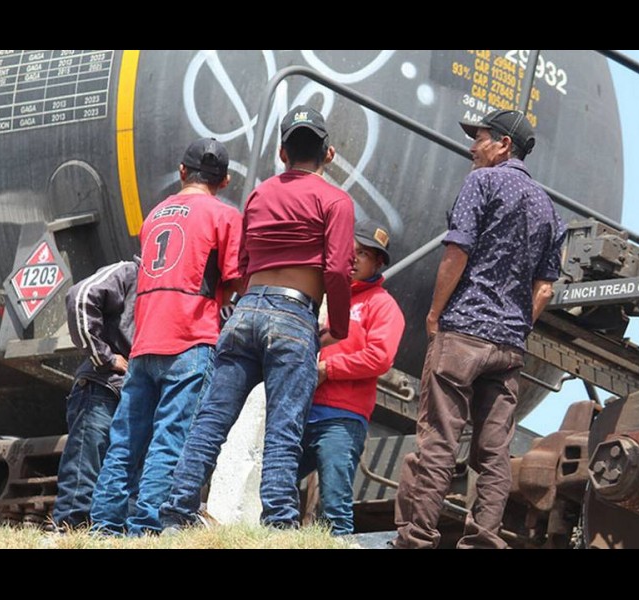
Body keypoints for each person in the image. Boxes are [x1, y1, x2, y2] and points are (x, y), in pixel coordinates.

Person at [159, 104, 355, 531]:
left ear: (282, 153)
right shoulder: (336, 200)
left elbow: (244, 264)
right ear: (329, 153)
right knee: (284, 428)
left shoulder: (259, 195)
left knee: (211, 421)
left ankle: (176, 513)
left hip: (246, 311)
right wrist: (339, 326)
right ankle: (279, 523)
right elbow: (339, 270)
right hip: (295, 315)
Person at [391, 109, 566, 549]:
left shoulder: (482, 182)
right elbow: (545, 288)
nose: (472, 146)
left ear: (504, 144)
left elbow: (457, 252)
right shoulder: (549, 209)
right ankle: (484, 541)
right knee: (493, 452)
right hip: (508, 346)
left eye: (481, 137)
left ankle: (417, 538)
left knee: (438, 439)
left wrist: (435, 313)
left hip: (463, 332)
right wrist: (515, 327)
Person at [90, 138, 243, 536]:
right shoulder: (225, 216)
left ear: (182, 171)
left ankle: (104, 526)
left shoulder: (155, 215)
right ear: (225, 180)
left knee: (125, 439)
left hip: (144, 343)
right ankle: (147, 528)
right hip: (191, 339)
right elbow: (235, 278)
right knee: (169, 437)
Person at [298, 219, 405, 536]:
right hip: (300, 410)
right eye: (351, 250)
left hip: (342, 418)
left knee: (335, 505)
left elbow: (380, 357)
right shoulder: (321, 294)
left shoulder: (382, 305)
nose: (354, 258)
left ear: (378, 262)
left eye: (364, 254)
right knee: (275, 483)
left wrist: (328, 369)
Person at [51, 258, 138, 530]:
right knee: (84, 467)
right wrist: (105, 357)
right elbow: (80, 297)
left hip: (133, 391)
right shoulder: (128, 272)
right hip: (103, 386)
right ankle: (69, 530)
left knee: (126, 471)